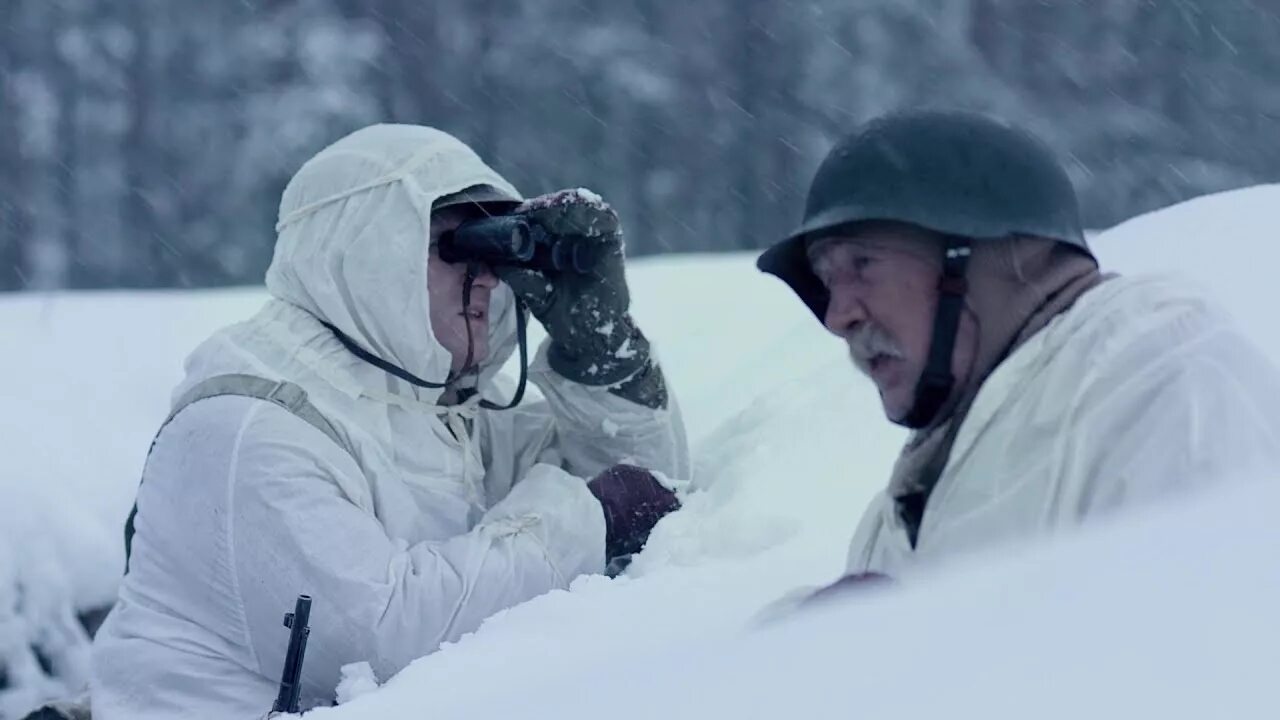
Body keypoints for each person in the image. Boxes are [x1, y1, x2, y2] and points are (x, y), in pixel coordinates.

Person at [88, 124, 688, 718]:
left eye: (496, 254)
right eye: (457, 247)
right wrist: (586, 519)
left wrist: (604, 357)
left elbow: (646, 493)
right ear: (366, 253)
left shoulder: (441, 409)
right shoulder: (247, 424)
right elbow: (373, 642)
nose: (485, 279)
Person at [757, 110, 1280, 591]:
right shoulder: (902, 507)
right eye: (827, 280)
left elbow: (1202, 661)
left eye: (863, 265)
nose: (837, 316)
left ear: (1006, 255)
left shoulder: (1169, 389)